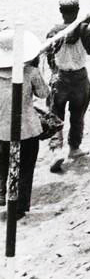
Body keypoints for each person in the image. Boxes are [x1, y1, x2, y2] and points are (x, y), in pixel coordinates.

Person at [0, 29, 49, 218]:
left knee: (4, 164)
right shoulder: (30, 72)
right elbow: (44, 94)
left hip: (2, 130)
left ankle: (4, 194)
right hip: (27, 128)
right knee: (26, 168)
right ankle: (19, 206)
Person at [46, 0, 90, 173]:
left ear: (61, 12)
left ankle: (56, 150)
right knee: (78, 114)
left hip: (61, 77)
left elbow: (50, 56)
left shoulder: (54, 32)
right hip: (80, 77)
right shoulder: (85, 30)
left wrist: (54, 73)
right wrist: (85, 27)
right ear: (77, 11)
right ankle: (74, 148)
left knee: (55, 115)